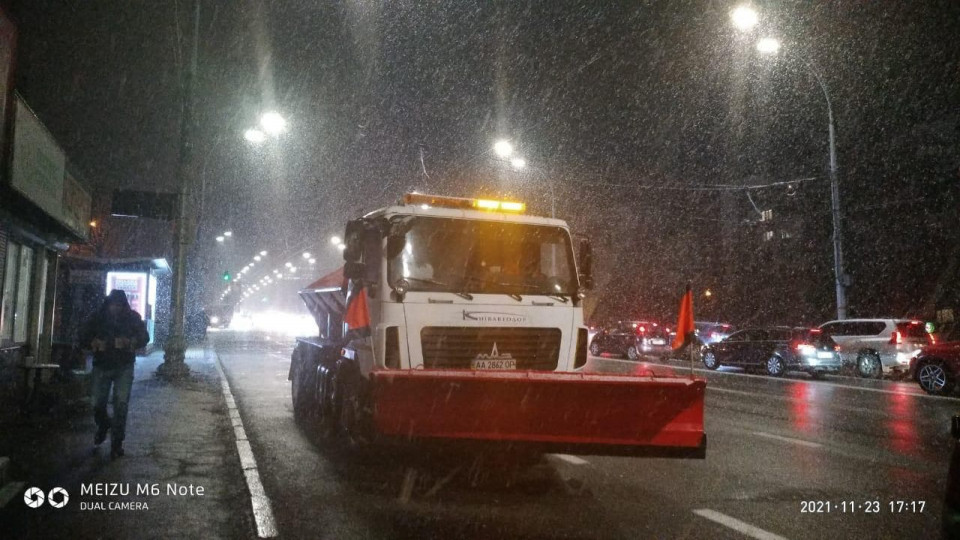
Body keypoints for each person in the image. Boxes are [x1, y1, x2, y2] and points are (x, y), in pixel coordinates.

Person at [79, 289, 149, 458]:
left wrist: (129, 342)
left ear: (123, 305)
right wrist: (92, 342)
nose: (115, 308)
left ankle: (117, 442)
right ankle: (104, 425)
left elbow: (144, 336)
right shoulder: (98, 317)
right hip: (102, 365)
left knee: (121, 403)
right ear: (108, 304)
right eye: (113, 305)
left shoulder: (132, 318)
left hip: (123, 366)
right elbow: (82, 335)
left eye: (119, 305)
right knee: (97, 402)